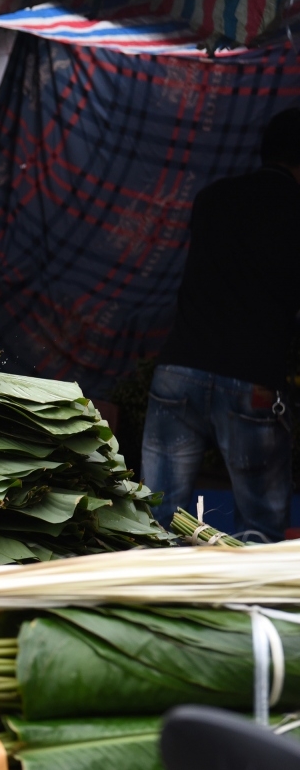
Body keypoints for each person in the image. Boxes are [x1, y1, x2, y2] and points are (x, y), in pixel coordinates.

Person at [142, 108, 300, 541]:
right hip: (250, 382)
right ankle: (251, 606)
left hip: (178, 371)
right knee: (260, 531)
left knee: (159, 519)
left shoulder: (212, 197)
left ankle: (154, 601)